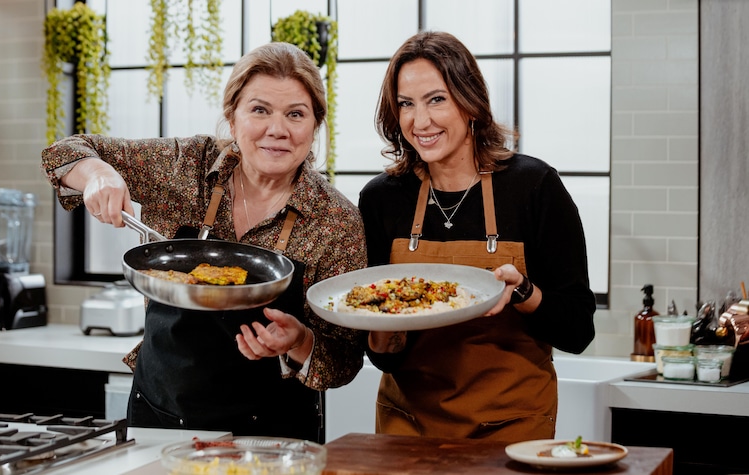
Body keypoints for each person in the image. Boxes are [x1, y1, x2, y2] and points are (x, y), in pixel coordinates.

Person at [41, 42, 367, 442]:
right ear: (232, 119)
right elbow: (64, 153)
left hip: (274, 438)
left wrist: (299, 341)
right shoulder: (186, 166)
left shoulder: (335, 219)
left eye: (295, 114)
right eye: (259, 110)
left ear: (315, 126)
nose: (277, 130)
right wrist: (97, 175)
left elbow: (346, 358)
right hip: (160, 421)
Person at [358, 31, 596, 442]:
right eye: (406, 104)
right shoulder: (382, 199)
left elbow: (579, 330)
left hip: (511, 428)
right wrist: (375, 329)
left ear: (470, 102)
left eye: (437, 99)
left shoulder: (534, 187)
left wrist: (522, 292)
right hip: (407, 429)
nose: (421, 121)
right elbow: (383, 357)